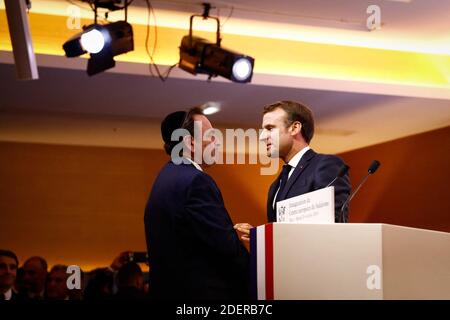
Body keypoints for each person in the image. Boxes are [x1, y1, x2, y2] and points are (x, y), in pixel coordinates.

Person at [144, 107, 249, 300]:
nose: (217, 142)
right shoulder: (196, 181)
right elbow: (226, 249)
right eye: (211, 135)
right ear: (190, 143)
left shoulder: (165, 177)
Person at [235, 100, 351, 240]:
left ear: (295, 128)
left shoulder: (325, 165)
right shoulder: (275, 186)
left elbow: (334, 224)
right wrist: (260, 237)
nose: (262, 137)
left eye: (270, 128)